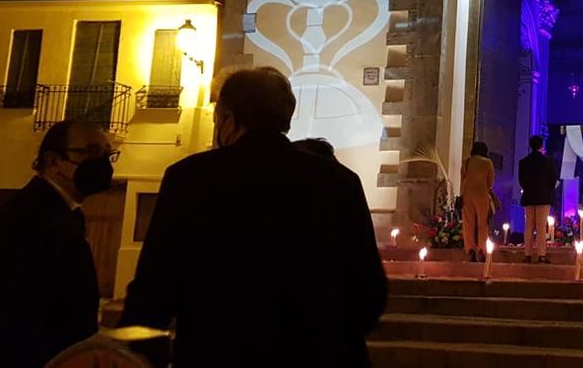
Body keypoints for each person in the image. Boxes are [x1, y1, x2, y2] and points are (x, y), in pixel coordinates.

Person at [120, 67, 387, 366]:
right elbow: (369, 288)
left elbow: (156, 285)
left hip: (216, 353)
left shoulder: (190, 178)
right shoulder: (340, 182)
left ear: (229, 119)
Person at [0, 120, 113, 367]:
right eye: (93, 152)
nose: (103, 163)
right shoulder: (26, 217)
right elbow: (23, 317)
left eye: (108, 154)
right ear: (53, 161)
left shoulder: (66, 212)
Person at [518, 135, 556, 263]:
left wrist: (528, 188)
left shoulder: (523, 162)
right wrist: (547, 189)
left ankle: (527, 254)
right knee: (541, 226)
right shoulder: (548, 161)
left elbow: (521, 180)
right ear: (541, 146)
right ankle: (541, 254)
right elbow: (552, 180)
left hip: (529, 196)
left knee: (528, 225)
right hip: (544, 196)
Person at [461, 142, 495, 263]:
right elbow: (490, 181)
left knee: (468, 223)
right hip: (482, 194)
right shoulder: (487, 162)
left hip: (467, 194)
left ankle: (470, 249)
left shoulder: (467, 161)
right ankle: (481, 249)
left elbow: (463, 177)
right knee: (482, 223)